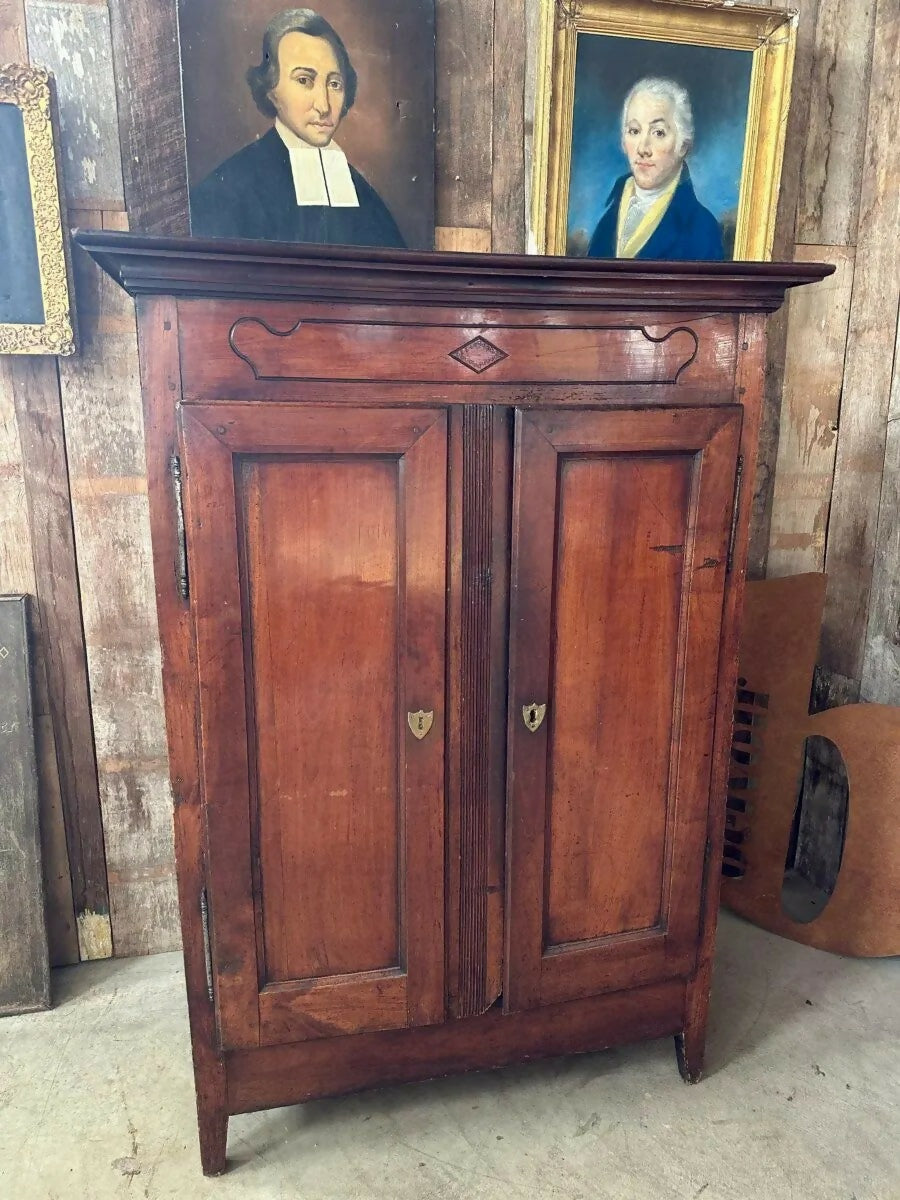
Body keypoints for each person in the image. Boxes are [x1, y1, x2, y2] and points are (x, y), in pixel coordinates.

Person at [190, 8, 407, 248]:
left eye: (334, 84)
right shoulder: (227, 191)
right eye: (304, 80)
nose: (324, 106)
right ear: (271, 89)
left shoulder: (365, 197)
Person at [587, 77, 724, 261]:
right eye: (634, 131)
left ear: (682, 145)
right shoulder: (609, 215)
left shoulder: (702, 229)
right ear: (623, 140)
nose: (642, 148)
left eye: (658, 133)